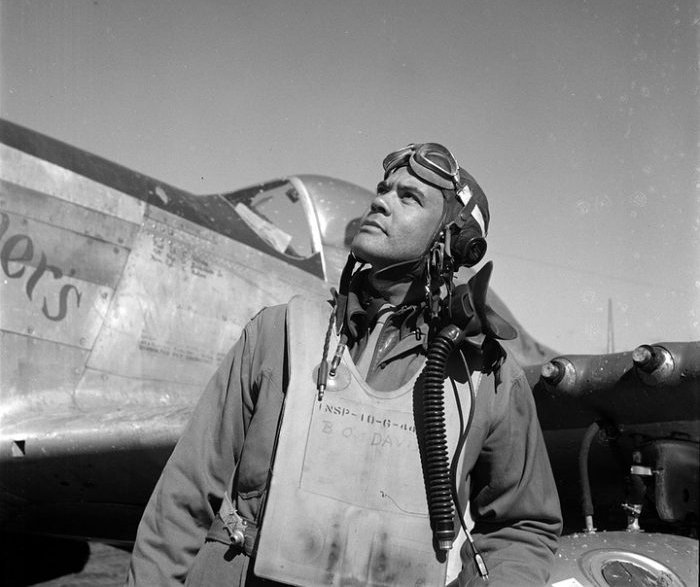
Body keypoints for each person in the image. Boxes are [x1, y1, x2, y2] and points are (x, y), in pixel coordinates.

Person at [126, 143, 562, 587]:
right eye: (383, 189)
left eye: (408, 197)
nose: (380, 200)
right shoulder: (277, 332)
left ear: (455, 241)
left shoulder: (488, 375)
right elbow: (182, 501)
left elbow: (522, 529)